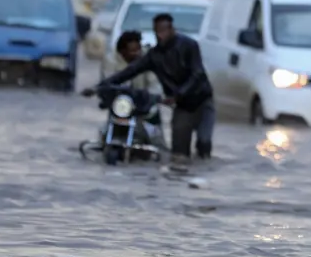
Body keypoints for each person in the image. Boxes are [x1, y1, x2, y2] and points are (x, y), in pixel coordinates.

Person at [83, 13, 215, 162]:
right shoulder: (153, 55)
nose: (160, 35)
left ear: (172, 30)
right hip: (182, 106)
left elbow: (197, 74)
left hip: (202, 101)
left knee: (204, 142)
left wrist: (177, 94)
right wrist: (98, 88)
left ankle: (204, 163)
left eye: (163, 31)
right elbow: (128, 72)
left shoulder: (189, 45)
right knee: (179, 154)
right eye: (157, 31)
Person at [113, 30, 162, 126]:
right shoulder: (112, 60)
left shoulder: (148, 59)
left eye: (139, 49)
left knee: (153, 127)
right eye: (133, 51)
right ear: (122, 51)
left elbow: (154, 82)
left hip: (144, 105)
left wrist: (152, 94)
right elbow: (107, 81)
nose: (138, 53)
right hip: (121, 105)